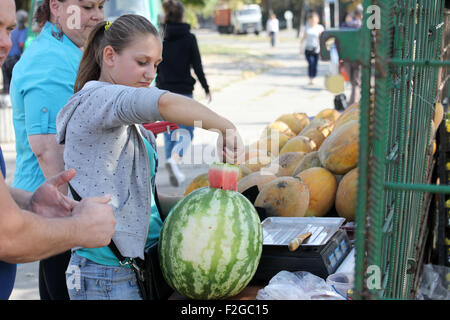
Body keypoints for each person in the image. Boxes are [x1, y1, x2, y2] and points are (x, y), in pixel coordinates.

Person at [56, 14, 244, 300]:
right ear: (110, 56)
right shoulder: (96, 99)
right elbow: (164, 102)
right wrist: (225, 127)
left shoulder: (123, 117)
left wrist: (206, 207)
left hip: (135, 268)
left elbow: (144, 199)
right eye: (141, 62)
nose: (150, 73)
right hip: (106, 275)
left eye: (155, 65)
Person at [0, 0, 115, 300]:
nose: (98, 15)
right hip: (61, 227)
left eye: (101, 5)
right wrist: (81, 223)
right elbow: (49, 151)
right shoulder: (49, 59)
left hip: (52, 220)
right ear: (56, 6)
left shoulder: (66, 51)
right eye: (87, 5)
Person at [156, 0, 212, 187]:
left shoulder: (159, 37)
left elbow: (154, 63)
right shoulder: (189, 38)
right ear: (182, 16)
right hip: (183, 92)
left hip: (163, 92)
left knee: (169, 128)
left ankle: (172, 161)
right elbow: (197, 66)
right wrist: (206, 87)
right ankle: (175, 159)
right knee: (187, 130)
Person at [1, 10, 27, 95]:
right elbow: (21, 43)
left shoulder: (11, 29)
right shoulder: (23, 30)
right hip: (15, 59)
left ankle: (4, 101)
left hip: (6, 58)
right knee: (14, 84)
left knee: (6, 84)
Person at [342, 5, 363, 105]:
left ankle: (353, 102)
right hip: (359, 57)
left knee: (352, 81)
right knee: (356, 82)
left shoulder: (345, 25)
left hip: (347, 56)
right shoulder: (362, 26)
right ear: (361, 15)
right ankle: (354, 104)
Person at [301, 12, 325, 85]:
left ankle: (313, 77)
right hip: (308, 49)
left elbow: (322, 39)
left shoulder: (320, 27)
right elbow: (303, 38)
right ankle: (310, 77)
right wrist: (300, 47)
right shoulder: (306, 27)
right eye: (311, 19)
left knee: (315, 64)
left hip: (316, 49)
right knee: (310, 63)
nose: (312, 21)